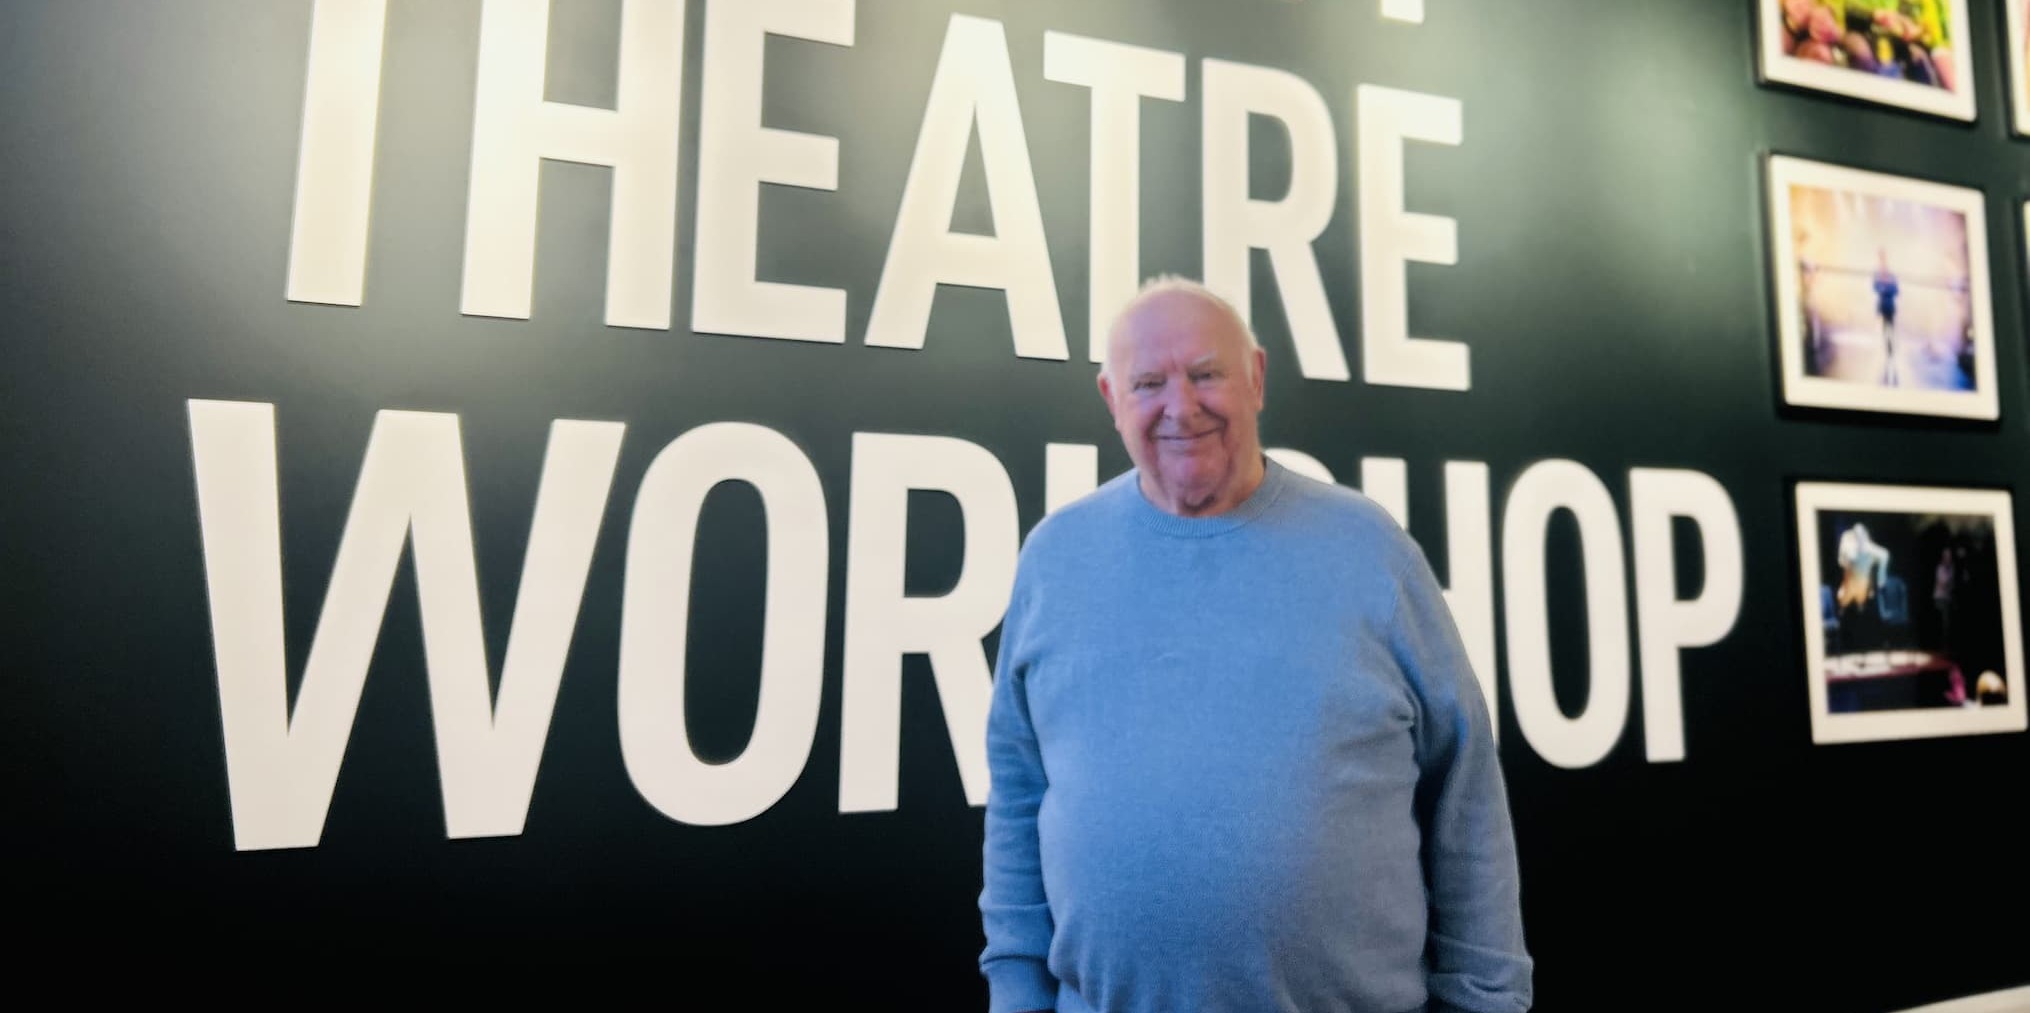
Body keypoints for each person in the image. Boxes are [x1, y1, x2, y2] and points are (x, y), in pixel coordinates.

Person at [979, 277, 1532, 1013]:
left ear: (1257, 378)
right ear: (1112, 399)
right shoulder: (1055, 558)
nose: (1182, 406)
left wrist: (1488, 998)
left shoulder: (1369, 550)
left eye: (1206, 373)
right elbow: (1018, 792)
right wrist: (1017, 996)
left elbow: (1466, 786)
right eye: (1150, 383)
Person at [1873, 250, 1900, 387]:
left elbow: (1896, 290)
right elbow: (1875, 287)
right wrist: (1883, 288)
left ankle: (1890, 348)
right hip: (1884, 306)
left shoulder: (1891, 275)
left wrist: (1885, 289)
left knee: (1891, 328)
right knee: (1885, 328)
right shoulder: (1878, 274)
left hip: (1889, 305)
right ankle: (1888, 348)